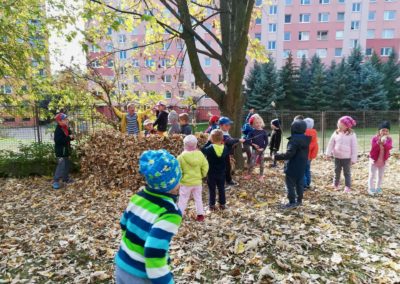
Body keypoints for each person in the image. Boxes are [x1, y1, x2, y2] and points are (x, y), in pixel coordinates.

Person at [114, 149, 182, 284]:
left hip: (122, 265)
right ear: (173, 183)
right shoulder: (169, 213)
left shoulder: (137, 197)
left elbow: (123, 224)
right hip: (142, 275)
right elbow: (153, 252)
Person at [273, 120, 311, 209]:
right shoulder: (305, 139)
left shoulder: (294, 141)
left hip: (292, 167)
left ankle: (292, 202)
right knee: (299, 184)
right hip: (301, 166)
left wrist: (276, 156)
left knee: (290, 185)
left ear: (293, 129)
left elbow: (289, 154)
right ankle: (299, 201)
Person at [177, 135, 209, 221]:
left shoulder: (180, 157)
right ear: (196, 145)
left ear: (184, 145)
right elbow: (205, 166)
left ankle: (179, 215)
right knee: (198, 198)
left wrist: (181, 178)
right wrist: (202, 175)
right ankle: (200, 215)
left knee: (183, 199)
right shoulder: (200, 155)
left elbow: (178, 170)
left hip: (185, 182)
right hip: (197, 182)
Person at [325, 116, 358, 193]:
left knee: (347, 172)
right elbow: (331, 144)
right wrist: (328, 153)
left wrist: (353, 159)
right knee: (336, 171)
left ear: (347, 126)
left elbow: (354, 147)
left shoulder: (352, 135)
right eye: (338, 125)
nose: (339, 127)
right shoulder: (336, 133)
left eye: (341, 126)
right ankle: (335, 184)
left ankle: (347, 186)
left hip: (347, 158)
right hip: (337, 156)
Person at [201, 129, 230, 211]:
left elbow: (203, 149)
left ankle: (212, 205)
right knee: (221, 188)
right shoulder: (225, 148)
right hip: (221, 172)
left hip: (211, 172)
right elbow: (227, 161)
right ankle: (222, 204)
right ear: (222, 139)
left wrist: (209, 142)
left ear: (212, 139)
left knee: (212, 189)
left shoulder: (210, 148)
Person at [218, 117, 245, 189]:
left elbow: (229, 142)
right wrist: (238, 140)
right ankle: (222, 183)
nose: (229, 126)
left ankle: (229, 180)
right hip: (221, 155)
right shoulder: (220, 133)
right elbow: (228, 141)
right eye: (226, 125)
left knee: (228, 167)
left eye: (229, 125)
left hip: (226, 154)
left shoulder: (226, 132)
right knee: (223, 169)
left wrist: (234, 144)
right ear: (220, 126)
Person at [368, 121, 393, 195]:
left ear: (388, 132)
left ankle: (378, 188)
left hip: (383, 161)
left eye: (386, 131)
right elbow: (373, 148)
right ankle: (371, 189)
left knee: (380, 176)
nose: (384, 132)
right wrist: (378, 143)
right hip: (374, 160)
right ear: (379, 131)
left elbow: (389, 147)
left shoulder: (389, 139)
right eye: (383, 130)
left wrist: (384, 143)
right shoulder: (375, 138)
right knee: (372, 175)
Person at [52, 113, 74, 189]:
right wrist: (68, 137)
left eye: (66, 119)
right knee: (61, 165)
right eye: (64, 120)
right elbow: (58, 141)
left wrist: (71, 137)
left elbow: (70, 137)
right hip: (60, 151)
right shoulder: (58, 130)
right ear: (59, 121)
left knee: (67, 164)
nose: (66, 121)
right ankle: (56, 181)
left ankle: (65, 179)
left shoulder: (66, 128)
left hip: (66, 150)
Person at [244, 114, 268, 181]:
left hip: (262, 150)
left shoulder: (264, 132)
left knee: (262, 163)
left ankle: (261, 175)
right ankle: (249, 174)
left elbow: (266, 142)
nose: (258, 124)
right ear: (253, 124)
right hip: (254, 150)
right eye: (256, 123)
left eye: (259, 122)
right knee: (252, 163)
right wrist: (253, 144)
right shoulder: (251, 132)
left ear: (262, 122)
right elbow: (247, 141)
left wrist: (263, 148)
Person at [303, 118, 319, 190]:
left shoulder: (303, 133)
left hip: (302, 156)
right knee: (307, 169)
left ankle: (304, 184)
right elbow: (316, 146)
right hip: (309, 157)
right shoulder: (314, 134)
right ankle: (308, 183)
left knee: (301, 171)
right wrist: (312, 156)